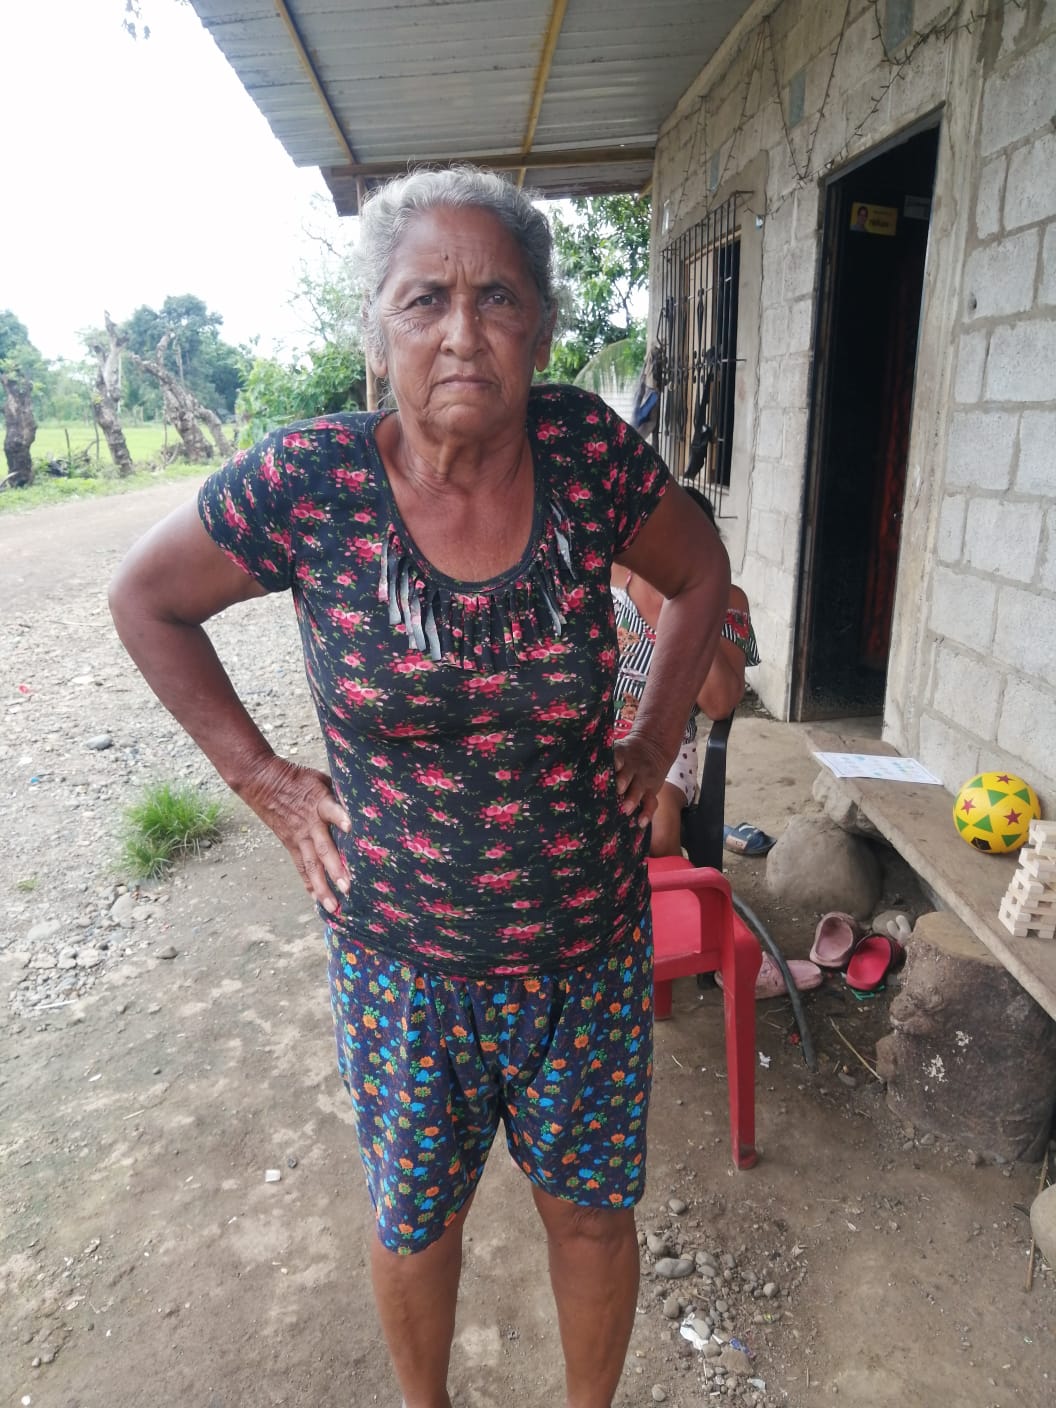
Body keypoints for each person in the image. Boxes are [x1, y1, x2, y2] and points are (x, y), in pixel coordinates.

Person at [108, 166, 730, 1408]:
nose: (461, 332)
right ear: (377, 327)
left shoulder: (588, 455)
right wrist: (267, 782)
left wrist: (655, 737)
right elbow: (146, 598)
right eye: (424, 299)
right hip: (401, 958)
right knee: (414, 1218)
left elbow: (701, 570)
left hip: (584, 946)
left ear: (540, 328)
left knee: (591, 1217)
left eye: (498, 298)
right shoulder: (312, 482)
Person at [611, 487, 758, 857]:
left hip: (666, 742)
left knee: (656, 833)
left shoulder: (728, 599)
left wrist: (688, 606)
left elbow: (720, 704)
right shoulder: (610, 578)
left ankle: (663, 895)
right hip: (594, 733)